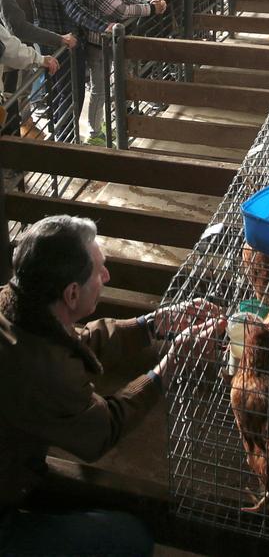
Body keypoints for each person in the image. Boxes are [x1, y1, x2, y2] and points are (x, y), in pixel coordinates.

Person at [0, 214, 223, 556]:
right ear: (72, 293)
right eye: (99, 270)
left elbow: (72, 343)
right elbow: (101, 430)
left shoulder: (16, 305)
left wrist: (152, 324)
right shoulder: (43, 371)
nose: (107, 276)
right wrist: (171, 364)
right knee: (130, 538)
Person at [30, 0, 111, 138]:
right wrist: (105, 26)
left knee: (57, 94)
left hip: (49, 44)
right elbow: (75, 10)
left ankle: (60, 139)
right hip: (67, 45)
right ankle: (67, 143)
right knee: (71, 96)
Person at [80, 0, 166, 144]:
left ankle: (110, 122)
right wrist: (152, 9)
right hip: (98, 45)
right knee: (99, 88)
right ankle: (94, 133)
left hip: (108, 42)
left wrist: (149, 3)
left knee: (111, 83)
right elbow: (120, 10)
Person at [0, 0, 67, 137]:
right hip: (14, 58)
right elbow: (11, 35)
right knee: (12, 108)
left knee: (16, 103)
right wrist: (47, 50)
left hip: (20, 51)